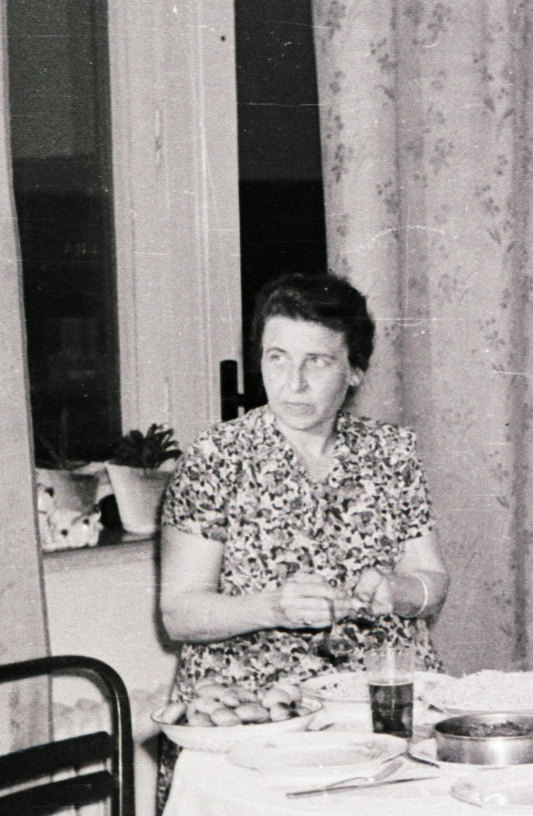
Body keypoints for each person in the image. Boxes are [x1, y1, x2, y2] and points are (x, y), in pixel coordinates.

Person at [159, 272, 450, 707]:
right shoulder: (215, 456)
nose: (293, 382)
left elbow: (433, 581)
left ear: (354, 370)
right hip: (255, 704)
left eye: (317, 361)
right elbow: (179, 614)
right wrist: (272, 607)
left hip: (380, 695)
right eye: (277, 358)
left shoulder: (391, 450)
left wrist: (399, 589)